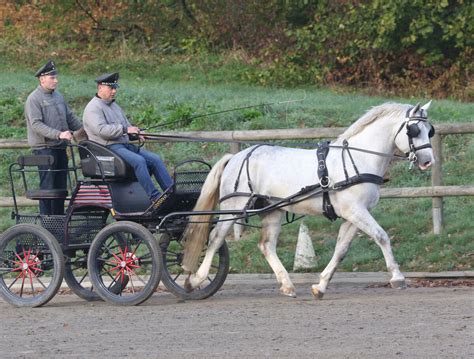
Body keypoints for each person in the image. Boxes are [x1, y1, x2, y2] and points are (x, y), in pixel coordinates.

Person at [82, 72, 173, 212]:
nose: (114, 91)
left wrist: (136, 133)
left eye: (115, 88)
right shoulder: (93, 108)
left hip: (124, 145)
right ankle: (155, 198)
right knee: (139, 161)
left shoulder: (114, 106)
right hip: (108, 148)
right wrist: (126, 130)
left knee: (155, 159)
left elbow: (126, 127)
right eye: (110, 88)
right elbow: (102, 130)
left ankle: (171, 194)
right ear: (100, 87)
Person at [25, 60, 83, 215]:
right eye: (52, 77)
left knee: (60, 189)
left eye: (56, 77)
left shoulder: (58, 96)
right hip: (44, 151)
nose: (56, 80)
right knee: (47, 189)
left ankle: (58, 224)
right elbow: (36, 124)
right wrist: (59, 134)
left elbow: (70, 118)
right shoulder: (34, 99)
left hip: (60, 148)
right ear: (42, 79)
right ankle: (47, 227)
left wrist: (85, 130)